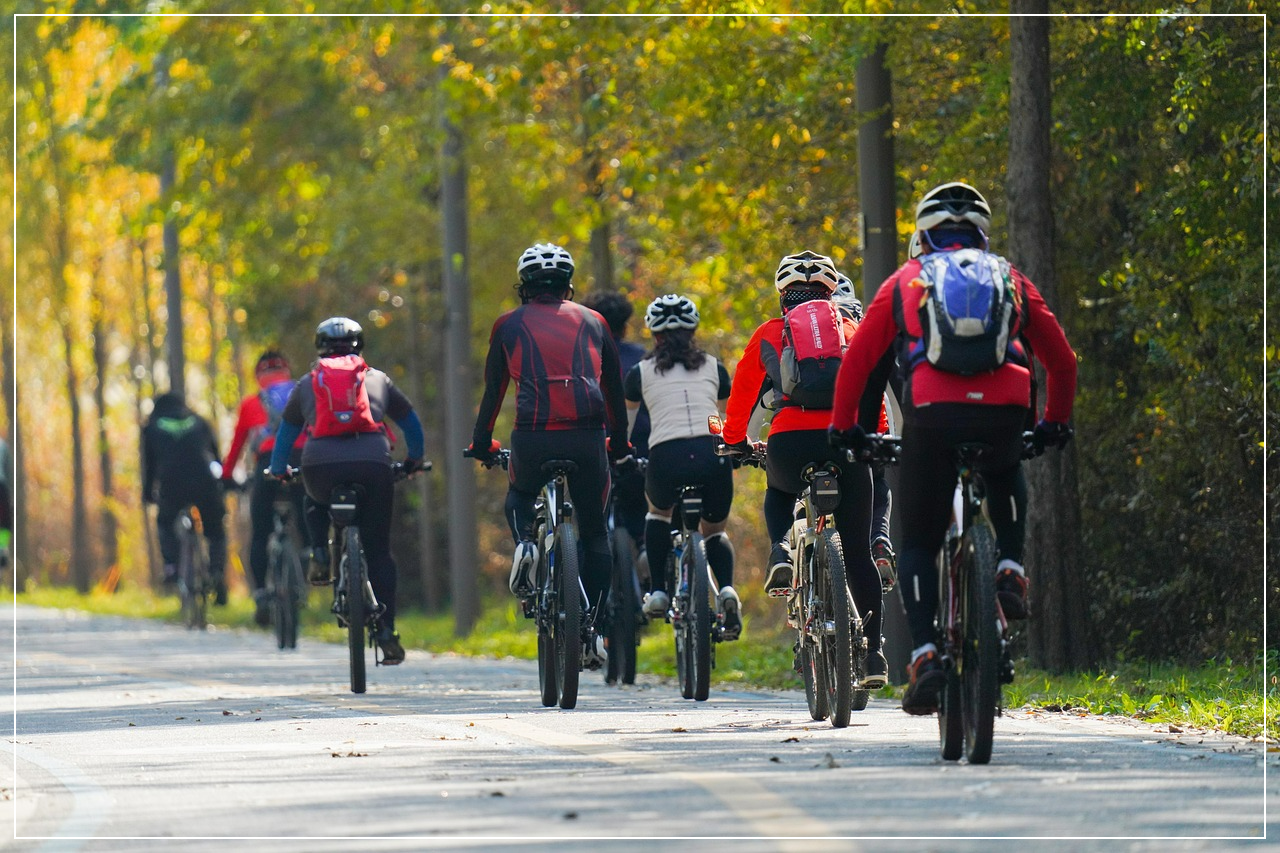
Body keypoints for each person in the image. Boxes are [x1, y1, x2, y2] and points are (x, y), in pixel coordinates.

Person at [829, 181, 1077, 715]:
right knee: (1006, 468)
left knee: (917, 540)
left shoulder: (908, 280)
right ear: (982, 235)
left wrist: (846, 428)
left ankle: (923, 654)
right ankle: (1009, 567)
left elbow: (861, 362)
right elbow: (1061, 360)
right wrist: (1054, 421)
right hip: (1005, 409)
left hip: (933, 414)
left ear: (923, 233)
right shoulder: (1009, 277)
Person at [721, 251, 889, 686]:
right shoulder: (852, 328)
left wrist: (734, 441)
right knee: (857, 554)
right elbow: (875, 394)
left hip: (789, 440)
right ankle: (873, 657)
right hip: (846, 440)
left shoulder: (769, 333)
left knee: (778, 493)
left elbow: (741, 397)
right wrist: (877, 435)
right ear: (831, 292)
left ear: (782, 295)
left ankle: (781, 549)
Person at [468, 243, 630, 667]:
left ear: (524, 287)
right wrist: (621, 442)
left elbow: (494, 391)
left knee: (520, 496)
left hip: (533, 437)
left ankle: (525, 545)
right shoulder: (595, 321)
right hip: (588, 438)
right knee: (595, 533)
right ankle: (590, 629)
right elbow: (613, 389)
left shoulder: (507, 325)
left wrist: (482, 442)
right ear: (568, 285)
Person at [268, 317, 426, 665]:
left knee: (313, 499)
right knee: (380, 552)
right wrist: (414, 460)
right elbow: (411, 422)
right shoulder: (377, 379)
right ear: (360, 346)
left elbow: (285, 435)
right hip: (373, 463)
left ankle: (320, 555)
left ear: (319, 348)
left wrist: (279, 470)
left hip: (320, 465)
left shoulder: (308, 383)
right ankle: (386, 631)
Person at [624, 294, 741, 638]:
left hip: (666, 457)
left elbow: (627, 432)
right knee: (715, 530)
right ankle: (728, 590)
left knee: (658, 515)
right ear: (693, 331)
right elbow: (723, 419)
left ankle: (659, 590)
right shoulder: (713, 367)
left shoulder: (639, 373)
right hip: (711, 454)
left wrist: (621, 455)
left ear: (654, 334)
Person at [222, 350, 309, 627]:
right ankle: (310, 565)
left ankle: (260, 594)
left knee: (260, 532)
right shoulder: (305, 395)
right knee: (308, 521)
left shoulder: (251, 404)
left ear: (259, 376)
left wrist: (226, 477)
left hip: (268, 465)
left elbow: (237, 446)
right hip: (303, 461)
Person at [833, 274, 897, 592]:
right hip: (864, 435)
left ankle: (796, 558)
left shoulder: (795, 333)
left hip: (811, 435)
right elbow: (888, 394)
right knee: (879, 486)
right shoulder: (864, 331)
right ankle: (879, 538)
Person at [141, 392, 228, 604]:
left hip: (171, 485)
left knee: (165, 523)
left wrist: (147, 493)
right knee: (215, 530)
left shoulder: (152, 427)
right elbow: (215, 456)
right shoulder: (199, 421)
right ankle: (216, 572)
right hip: (205, 482)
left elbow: (148, 465)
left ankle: (172, 567)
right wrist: (223, 483)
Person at [581, 290, 650, 553]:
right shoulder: (642, 357)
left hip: (594, 447)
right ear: (624, 324)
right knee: (641, 514)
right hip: (639, 447)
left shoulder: (584, 356)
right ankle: (645, 554)